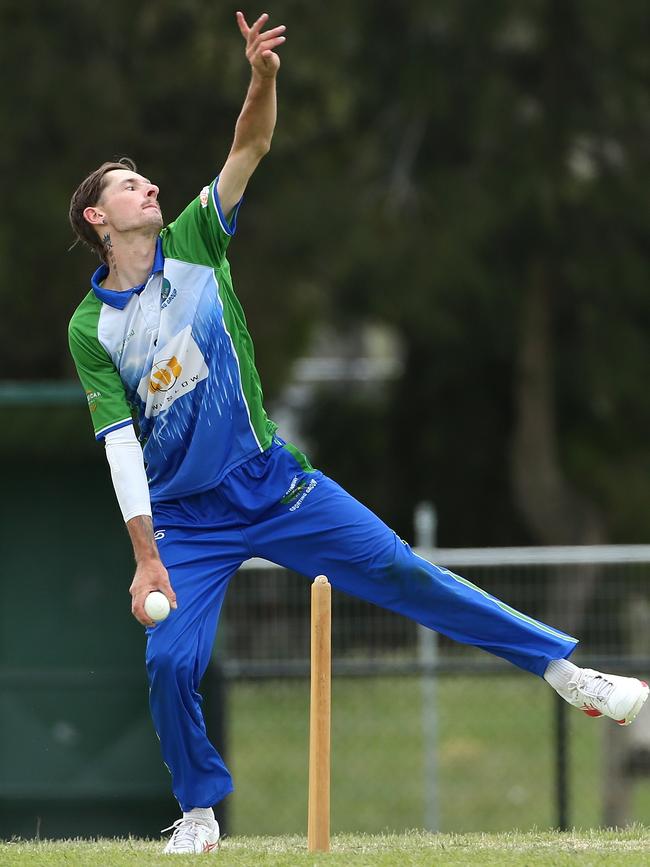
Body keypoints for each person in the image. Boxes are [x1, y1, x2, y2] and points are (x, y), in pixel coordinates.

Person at [67, 10, 648, 856]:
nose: (148, 187)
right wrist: (147, 552)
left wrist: (262, 79)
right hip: (187, 519)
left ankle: (567, 673)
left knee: (402, 572)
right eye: (128, 186)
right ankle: (199, 813)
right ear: (96, 218)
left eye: (147, 180)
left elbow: (250, 145)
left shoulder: (195, 242)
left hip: (270, 480)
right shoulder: (94, 328)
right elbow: (120, 443)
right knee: (168, 663)